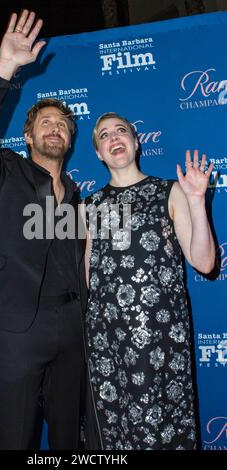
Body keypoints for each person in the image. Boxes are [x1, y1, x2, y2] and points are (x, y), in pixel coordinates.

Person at [0, 10, 88, 450]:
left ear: (70, 140)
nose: (56, 128)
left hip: (72, 326)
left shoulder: (75, 196)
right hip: (17, 328)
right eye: (45, 123)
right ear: (29, 138)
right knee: (14, 437)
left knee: (68, 437)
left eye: (63, 124)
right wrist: (6, 68)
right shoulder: (5, 172)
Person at [84, 112, 215, 450]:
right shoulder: (88, 207)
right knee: (116, 436)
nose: (114, 138)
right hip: (107, 345)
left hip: (161, 344)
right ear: (98, 153)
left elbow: (204, 262)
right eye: (104, 135)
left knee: (162, 432)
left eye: (121, 130)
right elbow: (87, 280)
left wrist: (197, 201)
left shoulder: (168, 192)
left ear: (136, 141)